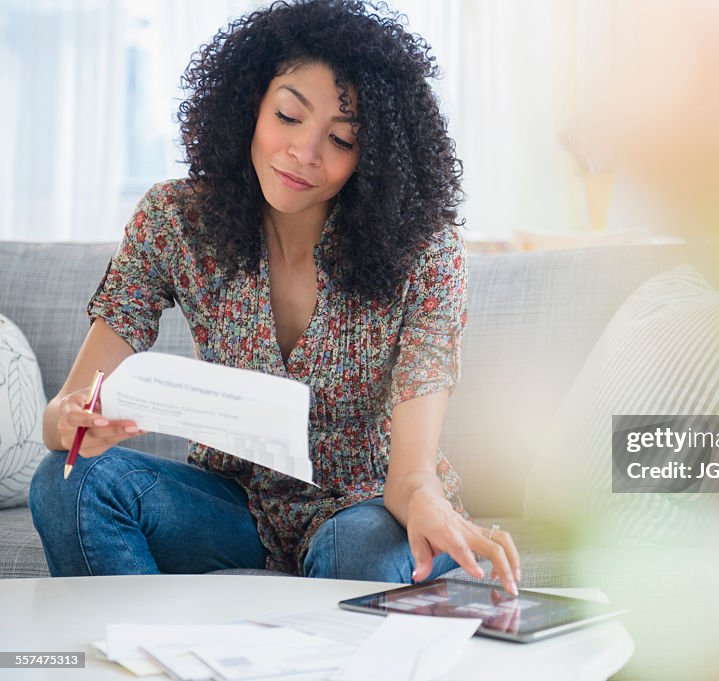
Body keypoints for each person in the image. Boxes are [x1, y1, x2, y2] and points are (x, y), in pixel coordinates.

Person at [29, 0, 519, 594]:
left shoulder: (426, 252)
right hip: (232, 506)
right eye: (288, 115)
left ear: (374, 158)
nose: (304, 153)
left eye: (340, 139)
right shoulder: (174, 220)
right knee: (67, 480)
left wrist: (430, 505)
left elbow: (411, 477)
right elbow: (64, 417)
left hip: (363, 506)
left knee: (357, 554)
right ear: (249, 105)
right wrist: (74, 423)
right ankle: (144, 655)